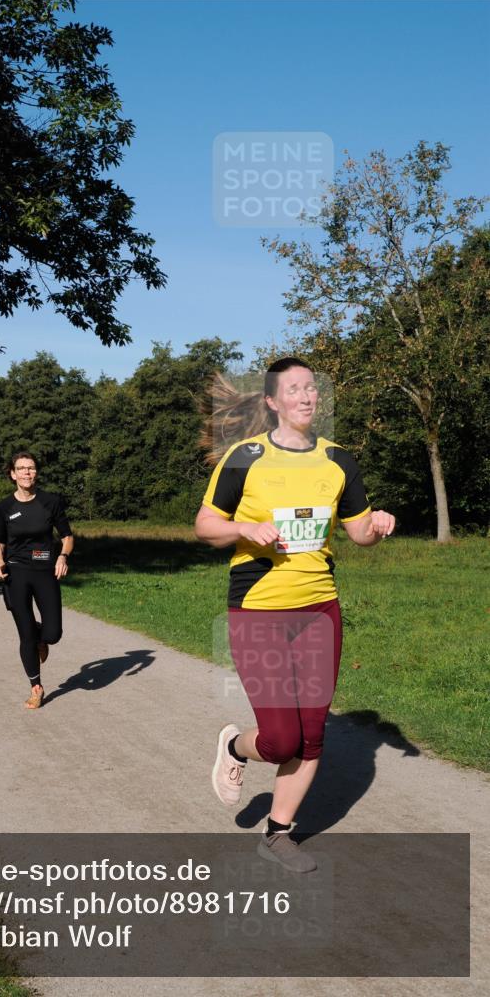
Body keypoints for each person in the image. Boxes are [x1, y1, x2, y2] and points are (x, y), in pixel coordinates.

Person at [195, 358, 395, 873]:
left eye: (311, 388)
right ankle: (237, 747)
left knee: (312, 736)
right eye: (294, 390)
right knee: (280, 739)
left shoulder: (338, 461)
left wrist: (377, 524)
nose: (306, 397)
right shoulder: (246, 457)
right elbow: (205, 525)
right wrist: (243, 530)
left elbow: (358, 535)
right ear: (272, 402)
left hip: (319, 609)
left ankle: (278, 833)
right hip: (259, 608)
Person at [0, 452, 74, 709]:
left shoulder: (51, 502)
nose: (27, 472)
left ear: (36, 473)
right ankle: (36, 687)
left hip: (46, 570)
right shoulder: (4, 507)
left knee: (53, 633)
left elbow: (67, 536)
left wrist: (62, 556)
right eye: (21, 468)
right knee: (24, 633)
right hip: (16, 572)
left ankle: (42, 638)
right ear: (13, 474)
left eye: (31, 468)